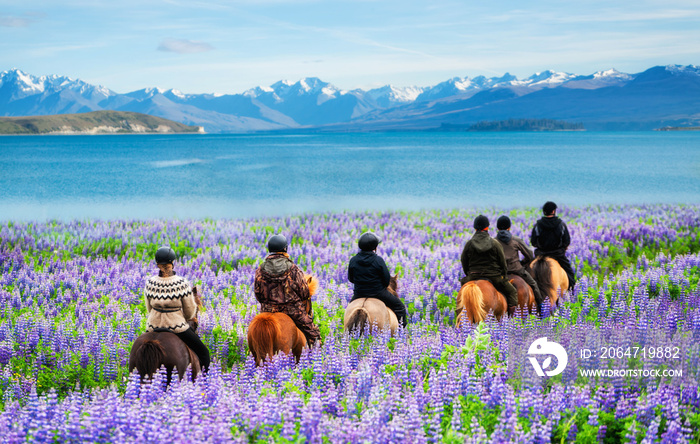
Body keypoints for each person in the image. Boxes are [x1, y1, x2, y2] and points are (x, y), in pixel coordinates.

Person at [144, 246, 210, 372]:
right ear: (172, 263)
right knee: (203, 353)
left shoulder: (150, 283)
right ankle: (204, 384)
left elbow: (149, 308)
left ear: (157, 264)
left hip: (152, 326)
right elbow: (190, 311)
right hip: (177, 327)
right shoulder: (181, 283)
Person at [254, 234, 321, 346]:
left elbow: (258, 294)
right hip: (292, 310)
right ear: (285, 249)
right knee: (313, 332)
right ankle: (315, 350)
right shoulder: (293, 268)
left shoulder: (261, 269)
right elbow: (304, 293)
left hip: (267, 310)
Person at [460, 215, 519, 316]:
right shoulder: (494, 243)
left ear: (475, 228)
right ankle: (511, 320)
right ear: (487, 227)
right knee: (512, 292)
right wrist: (503, 276)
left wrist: (468, 274)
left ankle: (460, 319)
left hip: (473, 275)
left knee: (462, 292)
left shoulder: (469, 244)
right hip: (493, 276)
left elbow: (463, 261)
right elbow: (502, 263)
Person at [348, 232, 407, 327]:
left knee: (349, 310)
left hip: (359, 293)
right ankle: (402, 334)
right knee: (399, 307)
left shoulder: (353, 260)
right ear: (374, 247)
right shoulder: (378, 260)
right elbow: (386, 279)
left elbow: (351, 279)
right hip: (378, 293)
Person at [495, 215, 544, 310]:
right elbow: (529, 254)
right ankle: (540, 307)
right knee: (533, 285)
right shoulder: (515, 240)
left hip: (499, 273)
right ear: (509, 227)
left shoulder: (493, 241)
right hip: (517, 270)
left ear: (497, 228)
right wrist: (522, 262)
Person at [530, 201, 576, 290]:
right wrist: (562, 247)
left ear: (544, 212)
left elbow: (533, 242)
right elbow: (567, 241)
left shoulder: (537, 225)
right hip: (558, 255)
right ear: (554, 211)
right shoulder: (561, 224)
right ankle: (572, 292)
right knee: (570, 274)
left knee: (527, 273)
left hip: (541, 255)